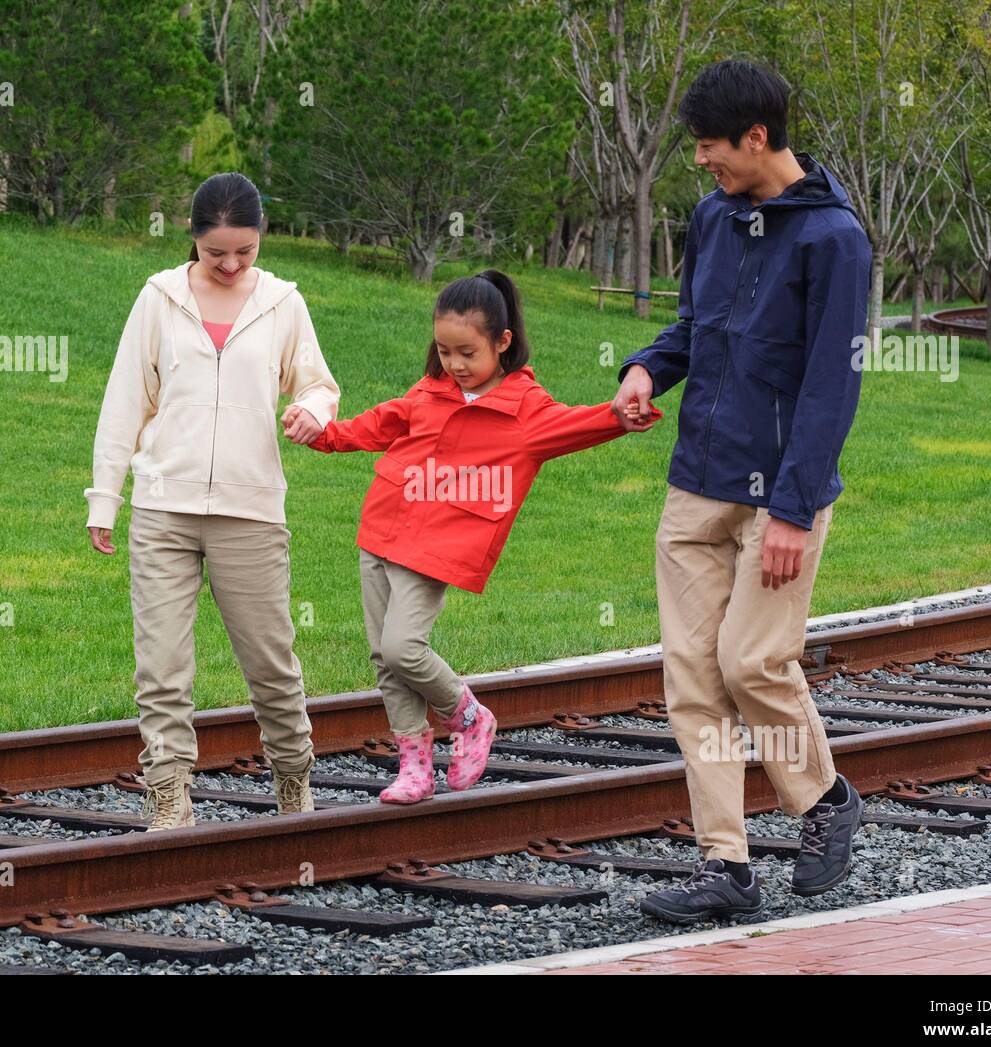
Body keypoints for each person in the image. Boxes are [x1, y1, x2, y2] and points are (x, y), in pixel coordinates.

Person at [611, 60, 873, 923]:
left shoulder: (834, 240)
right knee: (692, 678)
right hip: (698, 480)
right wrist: (649, 368)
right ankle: (726, 867)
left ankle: (826, 801)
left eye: (712, 148)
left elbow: (832, 386)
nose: (702, 163)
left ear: (757, 138)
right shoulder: (715, 219)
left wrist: (795, 508)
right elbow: (696, 326)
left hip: (782, 495)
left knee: (752, 662)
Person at [290, 269, 661, 802]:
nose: (454, 365)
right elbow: (377, 425)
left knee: (402, 648)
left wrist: (620, 416)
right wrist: (324, 435)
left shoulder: (526, 411)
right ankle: (414, 768)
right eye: (444, 352)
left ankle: (469, 717)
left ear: (502, 342)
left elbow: (581, 423)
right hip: (382, 530)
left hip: (437, 550)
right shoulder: (429, 392)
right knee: (384, 658)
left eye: (467, 353)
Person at [85, 172, 339, 828]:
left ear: (260, 242)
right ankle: (169, 799)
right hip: (163, 509)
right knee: (162, 667)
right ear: (192, 240)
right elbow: (123, 403)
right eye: (215, 252)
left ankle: (294, 786)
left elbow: (317, 384)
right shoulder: (158, 300)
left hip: (250, 512)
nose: (229, 265)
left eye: (244, 253)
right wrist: (104, 499)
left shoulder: (284, 304)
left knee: (271, 664)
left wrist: (311, 410)